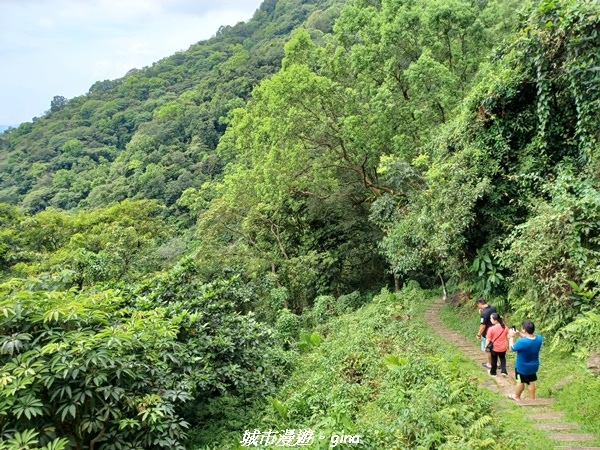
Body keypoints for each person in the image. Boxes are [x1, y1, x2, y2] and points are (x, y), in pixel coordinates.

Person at [508, 319, 543, 401]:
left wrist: (511, 336)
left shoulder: (522, 342)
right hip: (533, 366)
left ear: (524, 329)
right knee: (530, 381)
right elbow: (529, 338)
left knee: (520, 381)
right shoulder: (539, 338)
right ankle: (532, 399)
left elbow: (511, 348)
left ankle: (516, 396)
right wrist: (519, 333)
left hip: (522, 367)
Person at [485, 313, 509, 377]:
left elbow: (488, 339)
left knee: (494, 360)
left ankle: (493, 373)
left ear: (495, 320)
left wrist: (485, 346)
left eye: (491, 318)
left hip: (495, 348)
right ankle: (504, 371)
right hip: (503, 347)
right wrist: (508, 345)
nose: (490, 320)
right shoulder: (505, 327)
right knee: (502, 358)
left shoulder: (491, 329)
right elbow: (508, 336)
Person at [475, 298, 496, 369]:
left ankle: (489, 364)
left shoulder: (484, 313)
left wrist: (478, 335)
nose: (478, 306)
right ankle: (498, 363)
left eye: (478, 305)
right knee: (494, 348)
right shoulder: (493, 308)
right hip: (495, 331)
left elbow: (483, 326)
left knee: (487, 349)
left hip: (487, 333)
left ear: (480, 304)